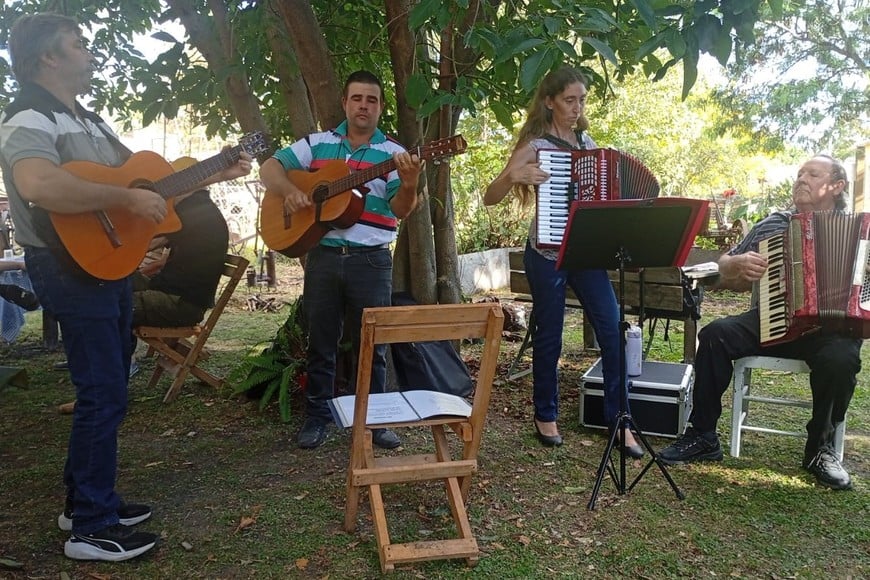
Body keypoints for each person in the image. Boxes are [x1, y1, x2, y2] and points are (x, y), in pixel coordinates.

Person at [0, 13, 252, 561]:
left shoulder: (87, 123)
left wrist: (215, 172)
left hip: (108, 267)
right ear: (49, 58)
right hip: (67, 265)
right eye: (78, 44)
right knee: (104, 390)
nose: (88, 52)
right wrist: (123, 200)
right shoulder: (28, 118)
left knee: (109, 385)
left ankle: (86, 501)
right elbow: (39, 184)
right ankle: (91, 527)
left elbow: (150, 190)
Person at [659, 155, 860, 491]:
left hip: (831, 329)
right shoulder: (775, 223)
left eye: (812, 174)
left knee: (841, 359)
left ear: (836, 186)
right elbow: (723, 269)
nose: (801, 179)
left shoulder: (858, 230)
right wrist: (735, 264)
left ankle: (820, 449)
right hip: (774, 317)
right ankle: (703, 435)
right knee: (716, 335)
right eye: (799, 173)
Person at [259, 69, 422, 450]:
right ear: (345, 103)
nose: (364, 106)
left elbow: (400, 210)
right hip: (325, 257)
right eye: (357, 98)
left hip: (372, 260)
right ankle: (317, 416)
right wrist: (289, 192)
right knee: (322, 341)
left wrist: (411, 182)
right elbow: (270, 167)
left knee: (374, 344)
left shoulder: (393, 153)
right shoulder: (316, 144)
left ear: (380, 107)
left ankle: (374, 420)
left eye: (372, 100)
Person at [483, 66, 642, 456]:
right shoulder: (536, 145)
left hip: (586, 254)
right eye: (569, 100)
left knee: (612, 328)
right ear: (549, 101)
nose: (577, 107)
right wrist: (514, 175)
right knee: (551, 334)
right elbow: (490, 196)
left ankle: (618, 419)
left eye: (582, 100)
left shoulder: (590, 146)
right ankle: (545, 413)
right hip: (546, 253)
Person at [132, 188, 229, 328]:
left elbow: (148, 244)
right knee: (117, 283)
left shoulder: (194, 212)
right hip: (170, 291)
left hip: (182, 304)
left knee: (110, 302)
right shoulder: (200, 209)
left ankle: (116, 347)